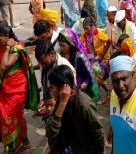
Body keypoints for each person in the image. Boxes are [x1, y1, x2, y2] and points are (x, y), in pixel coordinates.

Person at [45, 65, 105, 154]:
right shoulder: (60, 100)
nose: (51, 91)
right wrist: (62, 103)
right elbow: (50, 132)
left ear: (62, 87)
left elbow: (97, 133)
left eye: (52, 87)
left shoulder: (83, 103)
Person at [0, 23, 39, 153]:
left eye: (0, 36)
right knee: (17, 116)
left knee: (9, 115)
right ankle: (25, 142)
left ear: (7, 36)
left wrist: (7, 48)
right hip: (5, 88)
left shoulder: (15, 48)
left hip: (17, 89)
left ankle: (11, 147)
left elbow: (5, 65)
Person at [57, 28, 101, 102]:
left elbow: (89, 74)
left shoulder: (79, 57)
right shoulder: (60, 55)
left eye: (64, 46)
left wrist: (85, 83)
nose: (61, 48)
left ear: (70, 44)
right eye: (60, 45)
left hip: (80, 90)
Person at [35, 39, 76, 116]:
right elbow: (44, 84)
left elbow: (72, 93)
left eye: (44, 62)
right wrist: (43, 101)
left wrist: (55, 104)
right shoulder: (45, 64)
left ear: (51, 53)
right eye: (40, 63)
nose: (42, 66)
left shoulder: (65, 66)